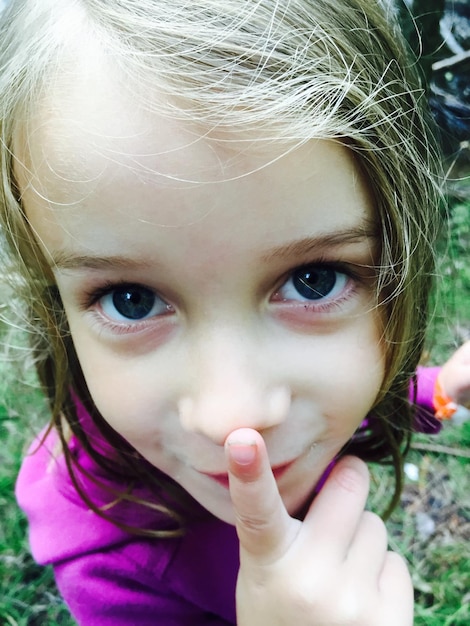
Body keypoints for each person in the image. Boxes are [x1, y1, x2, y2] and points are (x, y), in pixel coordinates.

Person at [0, 0, 467, 624]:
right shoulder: (114, 575)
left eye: (313, 280)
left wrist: (439, 391)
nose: (235, 418)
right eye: (131, 299)